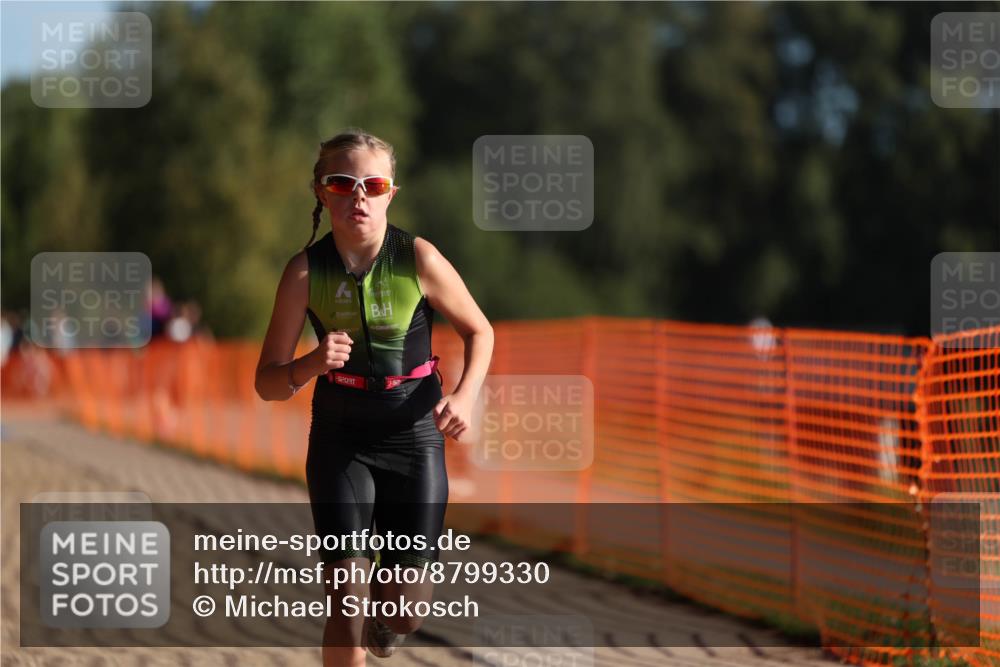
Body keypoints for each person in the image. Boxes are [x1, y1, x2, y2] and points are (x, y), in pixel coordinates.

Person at [254, 129, 493, 667]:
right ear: (322, 192)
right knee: (347, 600)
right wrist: (310, 364)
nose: (358, 197)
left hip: (414, 435)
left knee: (405, 611)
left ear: (391, 194)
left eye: (373, 185)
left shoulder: (418, 257)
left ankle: (388, 622)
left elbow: (480, 331)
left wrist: (465, 396)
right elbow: (266, 381)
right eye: (343, 183)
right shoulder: (304, 271)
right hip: (341, 438)